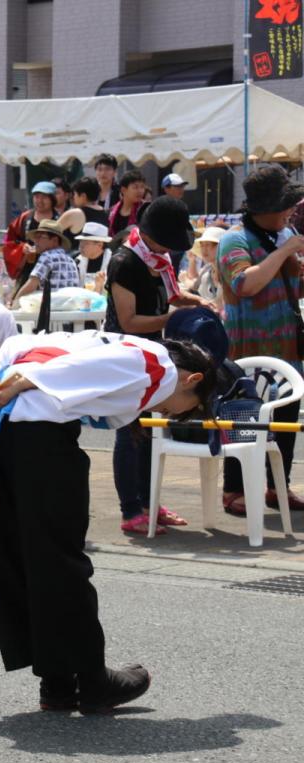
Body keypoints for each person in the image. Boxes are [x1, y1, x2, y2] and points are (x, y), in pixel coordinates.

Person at [0, 329, 215, 714]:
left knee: (18, 555)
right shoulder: (158, 364)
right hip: (38, 439)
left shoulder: (96, 338)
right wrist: (14, 384)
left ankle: (57, 683)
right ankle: (92, 681)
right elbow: (77, 369)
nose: (162, 411)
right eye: (175, 408)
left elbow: (7, 348)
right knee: (60, 561)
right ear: (193, 379)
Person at [104, 196, 202, 534]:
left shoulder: (158, 259)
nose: (171, 250)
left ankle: (149, 501)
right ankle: (130, 510)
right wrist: (171, 318)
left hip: (154, 353)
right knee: (130, 432)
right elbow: (129, 320)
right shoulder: (124, 262)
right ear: (150, 235)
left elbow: (173, 296)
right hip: (126, 354)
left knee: (149, 432)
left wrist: (198, 303)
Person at [216, 165, 304, 516]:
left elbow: (292, 287)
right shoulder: (234, 239)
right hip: (247, 350)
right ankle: (233, 490)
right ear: (264, 210)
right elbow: (244, 284)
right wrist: (285, 253)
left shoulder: (281, 235)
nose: (291, 211)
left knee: (284, 420)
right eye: (286, 205)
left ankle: (276, 486)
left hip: (286, 349)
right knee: (244, 418)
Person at [12, 219, 81, 304]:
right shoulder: (71, 260)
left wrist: (14, 303)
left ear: (55, 240)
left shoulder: (47, 256)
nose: (35, 241)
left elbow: (31, 286)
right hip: (70, 310)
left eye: (40, 237)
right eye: (35, 237)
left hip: (50, 311)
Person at [2, 181, 57, 280]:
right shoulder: (25, 218)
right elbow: (9, 241)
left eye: (44, 197)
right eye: (36, 197)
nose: (39, 201)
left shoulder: (59, 219)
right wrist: (22, 248)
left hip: (53, 270)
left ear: (52, 199)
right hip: (27, 271)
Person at [108, 170, 148, 236]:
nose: (140, 191)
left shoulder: (146, 209)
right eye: (135, 187)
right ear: (123, 190)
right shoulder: (111, 212)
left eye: (142, 187)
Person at [75, 222, 113, 289]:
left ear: (99, 245)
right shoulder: (77, 261)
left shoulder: (112, 262)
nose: (81, 246)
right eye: (81, 241)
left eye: (86, 243)